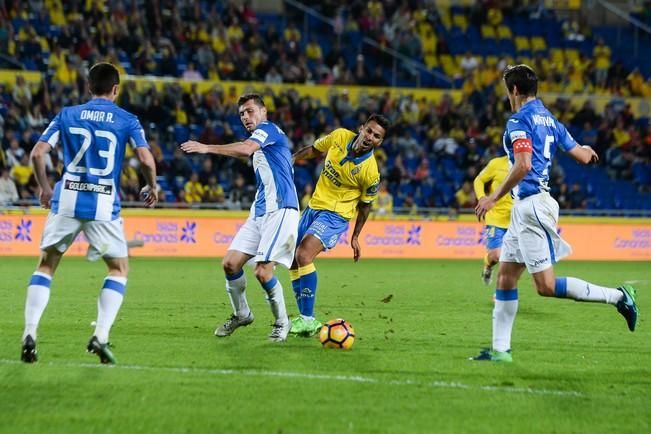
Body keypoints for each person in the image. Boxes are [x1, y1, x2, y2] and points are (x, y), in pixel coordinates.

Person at [472, 64, 638, 363]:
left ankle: (619, 297)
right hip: (530, 205)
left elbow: (522, 165)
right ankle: (500, 351)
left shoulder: (518, 120)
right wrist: (589, 150)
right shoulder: (550, 120)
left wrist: (493, 197)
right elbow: (584, 155)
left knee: (545, 286)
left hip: (531, 205)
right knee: (506, 278)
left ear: (514, 90)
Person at [21, 63, 158, 364]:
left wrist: (45, 188)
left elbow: (37, 153)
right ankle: (101, 336)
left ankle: (30, 333)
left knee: (46, 266)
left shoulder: (67, 114)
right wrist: (152, 185)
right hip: (103, 204)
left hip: (67, 198)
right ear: (116, 89)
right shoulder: (127, 120)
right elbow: (146, 158)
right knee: (118, 269)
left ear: (88, 88)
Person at [180, 94, 299, 342]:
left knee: (263, 272)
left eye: (250, 111)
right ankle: (242, 313)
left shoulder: (268, 129)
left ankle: (281, 322)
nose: (246, 117)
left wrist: (207, 147)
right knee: (230, 264)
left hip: (281, 210)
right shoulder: (264, 143)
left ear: (264, 111)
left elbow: (245, 149)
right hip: (260, 211)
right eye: (242, 114)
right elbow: (253, 154)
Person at [288, 114, 389, 336]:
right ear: (361, 128)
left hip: (336, 215)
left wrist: (355, 237)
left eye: (377, 136)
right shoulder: (340, 136)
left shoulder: (371, 172)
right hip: (313, 207)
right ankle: (305, 320)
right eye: (369, 131)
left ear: (380, 142)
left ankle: (307, 318)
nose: (370, 137)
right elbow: (315, 149)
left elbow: (365, 206)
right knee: (293, 262)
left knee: (304, 254)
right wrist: (292, 159)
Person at [473, 153, 512, 285]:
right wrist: (482, 198)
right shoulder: (496, 164)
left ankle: (501, 293)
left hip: (518, 220)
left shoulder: (529, 165)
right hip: (496, 217)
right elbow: (479, 180)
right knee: (496, 256)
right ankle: (488, 263)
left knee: (510, 259)